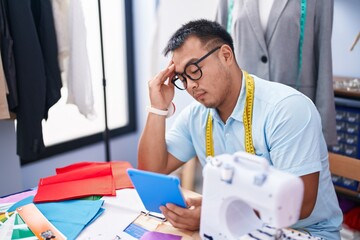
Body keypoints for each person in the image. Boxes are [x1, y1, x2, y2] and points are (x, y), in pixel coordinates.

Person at [138, 19, 342, 239]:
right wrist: (158, 108)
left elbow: (301, 204)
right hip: (234, 228)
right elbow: (151, 172)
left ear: (226, 55)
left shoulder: (286, 109)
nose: (190, 86)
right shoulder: (196, 116)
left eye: (194, 70)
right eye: (182, 78)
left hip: (303, 232)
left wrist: (215, 212)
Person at [215, 0, 337, 147]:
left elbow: (324, 59)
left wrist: (324, 133)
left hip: (295, 119)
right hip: (240, 116)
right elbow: (214, 54)